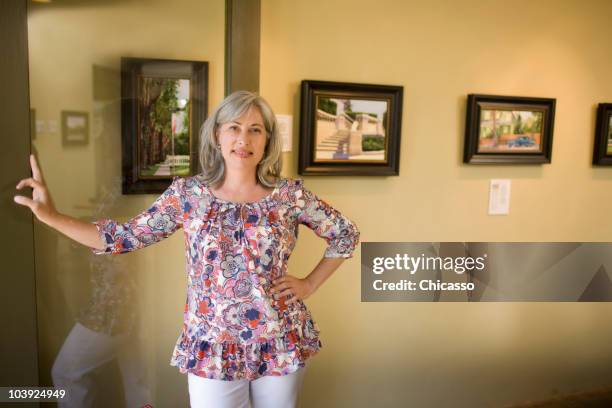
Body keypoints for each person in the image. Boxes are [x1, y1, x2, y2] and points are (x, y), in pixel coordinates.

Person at [14, 90, 360, 408]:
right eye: (234, 127)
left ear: (268, 139)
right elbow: (121, 237)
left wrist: (309, 284)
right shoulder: (188, 195)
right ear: (216, 134)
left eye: (256, 129)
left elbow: (345, 234)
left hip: (279, 339)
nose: (243, 139)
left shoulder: (289, 196)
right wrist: (50, 216)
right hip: (212, 343)